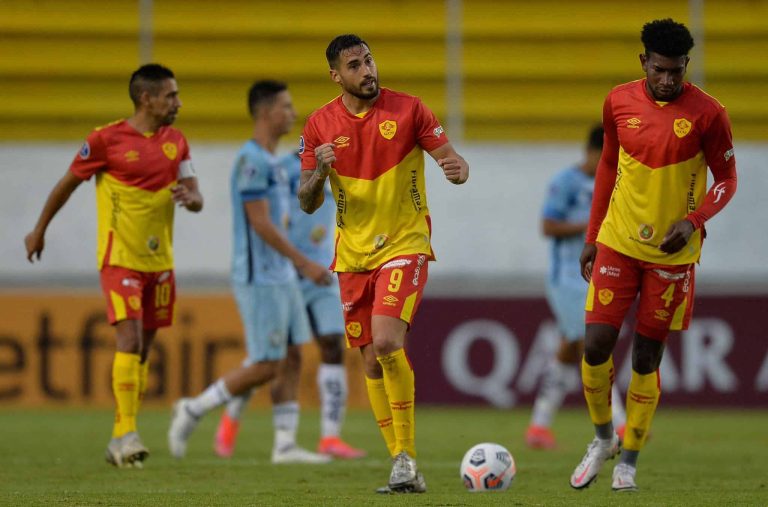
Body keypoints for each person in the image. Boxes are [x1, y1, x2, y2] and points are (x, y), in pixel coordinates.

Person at [569, 19, 737, 492]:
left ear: (687, 65)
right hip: (618, 242)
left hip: (673, 254)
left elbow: (727, 179)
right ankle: (603, 438)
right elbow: (607, 164)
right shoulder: (618, 101)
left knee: (646, 356)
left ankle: (631, 461)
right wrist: (593, 232)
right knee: (596, 345)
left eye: (677, 71)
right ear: (643, 62)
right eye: (660, 70)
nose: (668, 80)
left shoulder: (709, 114)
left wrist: (694, 220)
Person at [298, 34, 469, 493]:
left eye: (369, 60)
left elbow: (449, 156)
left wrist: (457, 167)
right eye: (354, 65)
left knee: (389, 341)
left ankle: (407, 455)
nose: (367, 70)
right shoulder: (318, 126)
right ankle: (402, 464)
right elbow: (307, 201)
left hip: (404, 244)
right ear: (337, 75)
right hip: (352, 256)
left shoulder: (410, 109)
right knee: (371, 360)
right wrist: (319, 171)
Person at [24, 63, 203, 468]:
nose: (178, 102)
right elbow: (66, 184)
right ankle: (125, 435)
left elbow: (196, 195)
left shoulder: (177, 142)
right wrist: (39, 229)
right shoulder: (105, 140)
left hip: (159, 262)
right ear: (147, 98)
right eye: (171, 95)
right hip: (118, 257)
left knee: (142, 354)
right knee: (130, 342)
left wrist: (191, 200)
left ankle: (120, 435)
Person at [167, 80, 330, 464]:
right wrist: (303, 261)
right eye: (286, 107)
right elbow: (260, 223)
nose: (292, 113)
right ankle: (193, 408)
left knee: (291, 355)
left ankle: (285, 444)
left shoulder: (274, 163)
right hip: (260, 276)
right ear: (265, 113)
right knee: (266, 364)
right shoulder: (251, 161)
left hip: (282, 275)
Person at [213, 150, 366, 460]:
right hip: (286, 269)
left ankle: (330, 438)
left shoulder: (345, 164)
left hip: (322, 269)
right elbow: (265, 214)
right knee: (270, 358)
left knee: (333, 345)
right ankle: (232, 416)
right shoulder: (279, 167)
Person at [526, 125, 627, 450]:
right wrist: (592, 225)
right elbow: (547, 225)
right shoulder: (566, 183)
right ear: (591, 151)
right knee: (590, 343)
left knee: (571, 348)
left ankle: (539, 426)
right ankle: (621, 424)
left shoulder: (614, 182)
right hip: (566, 278)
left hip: (599, 277)